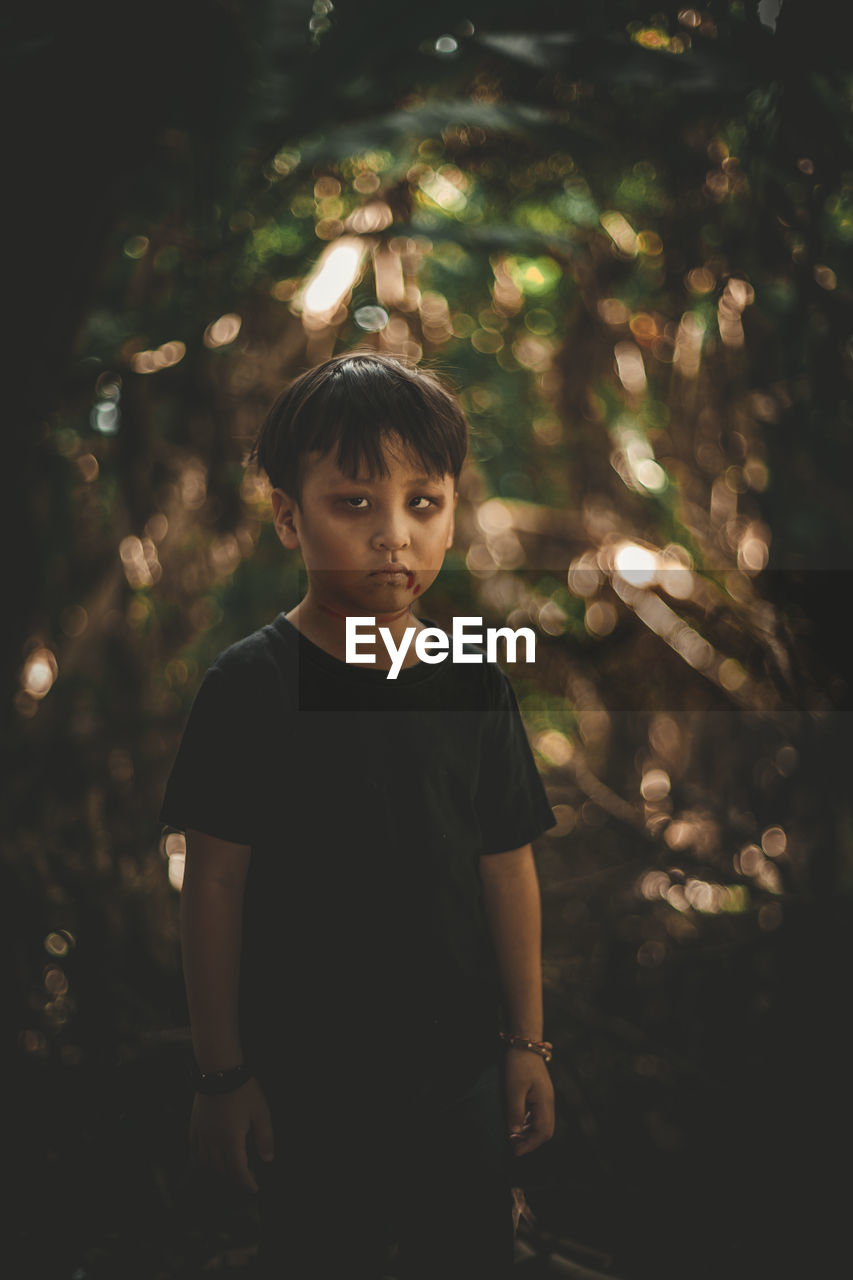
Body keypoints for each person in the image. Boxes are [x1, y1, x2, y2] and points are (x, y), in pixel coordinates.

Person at [160, 352, 557, 1278]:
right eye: (355, 503)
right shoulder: (249, 686)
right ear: (288, 516)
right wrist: (223, 1076)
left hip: (458, 1080)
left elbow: (506, 864)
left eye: (424, 504)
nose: (395, 536)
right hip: (306, 1086)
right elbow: (213, 883)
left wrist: (527, 1044)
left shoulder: (471, 681)